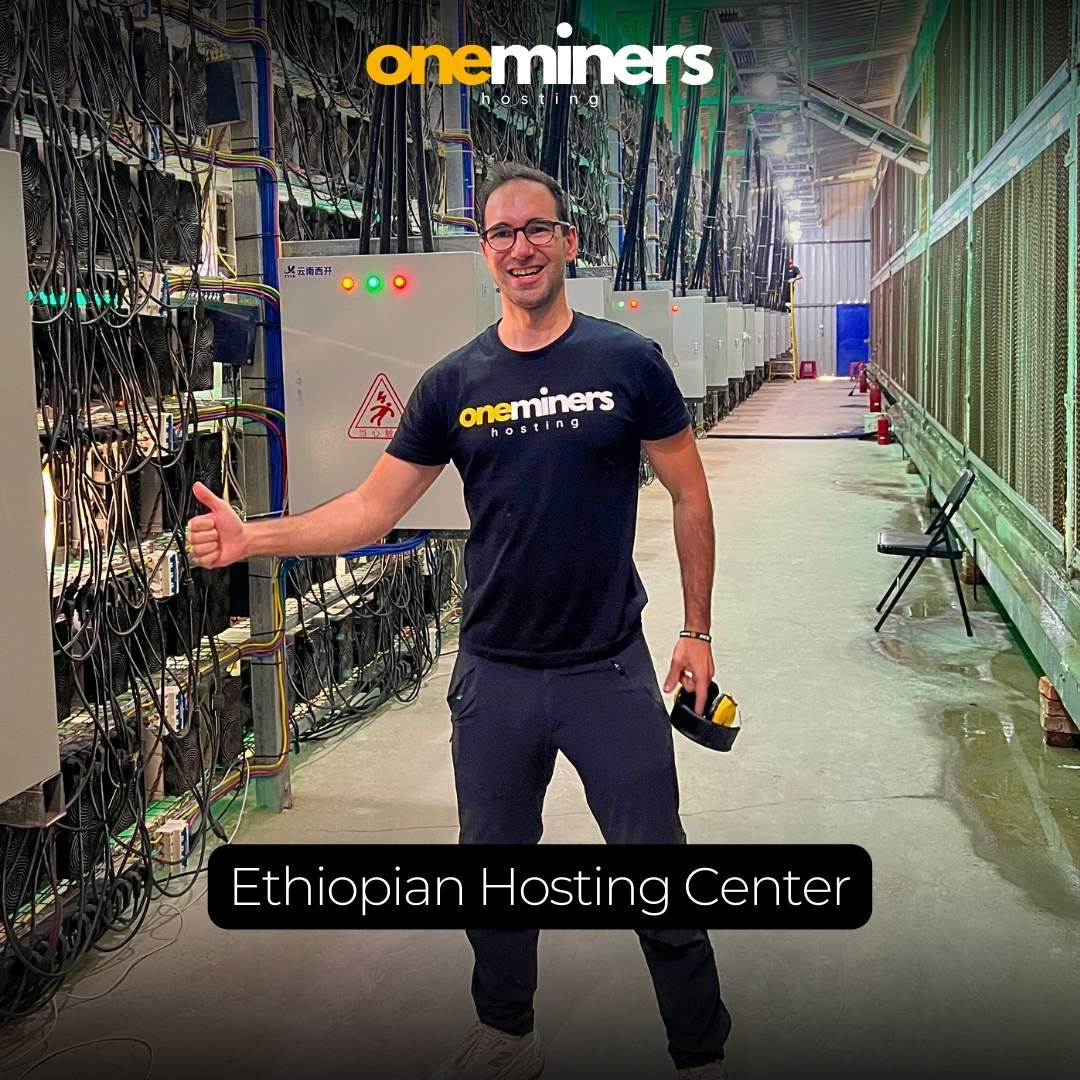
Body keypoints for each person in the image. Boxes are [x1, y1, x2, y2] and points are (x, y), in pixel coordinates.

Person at [186, 163, 731, 1079]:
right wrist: (255, 539)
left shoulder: (628, 362)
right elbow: (368, 510)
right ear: (485, 254)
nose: (520, 246)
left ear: (567, 242)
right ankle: (505, 1031)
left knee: (656, 865)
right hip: (497, 673)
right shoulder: (452, 382)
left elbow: (689, 492)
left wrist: (698, 629)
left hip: (609, 669)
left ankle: (700, 1045)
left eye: (536, 229)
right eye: (501, 233)